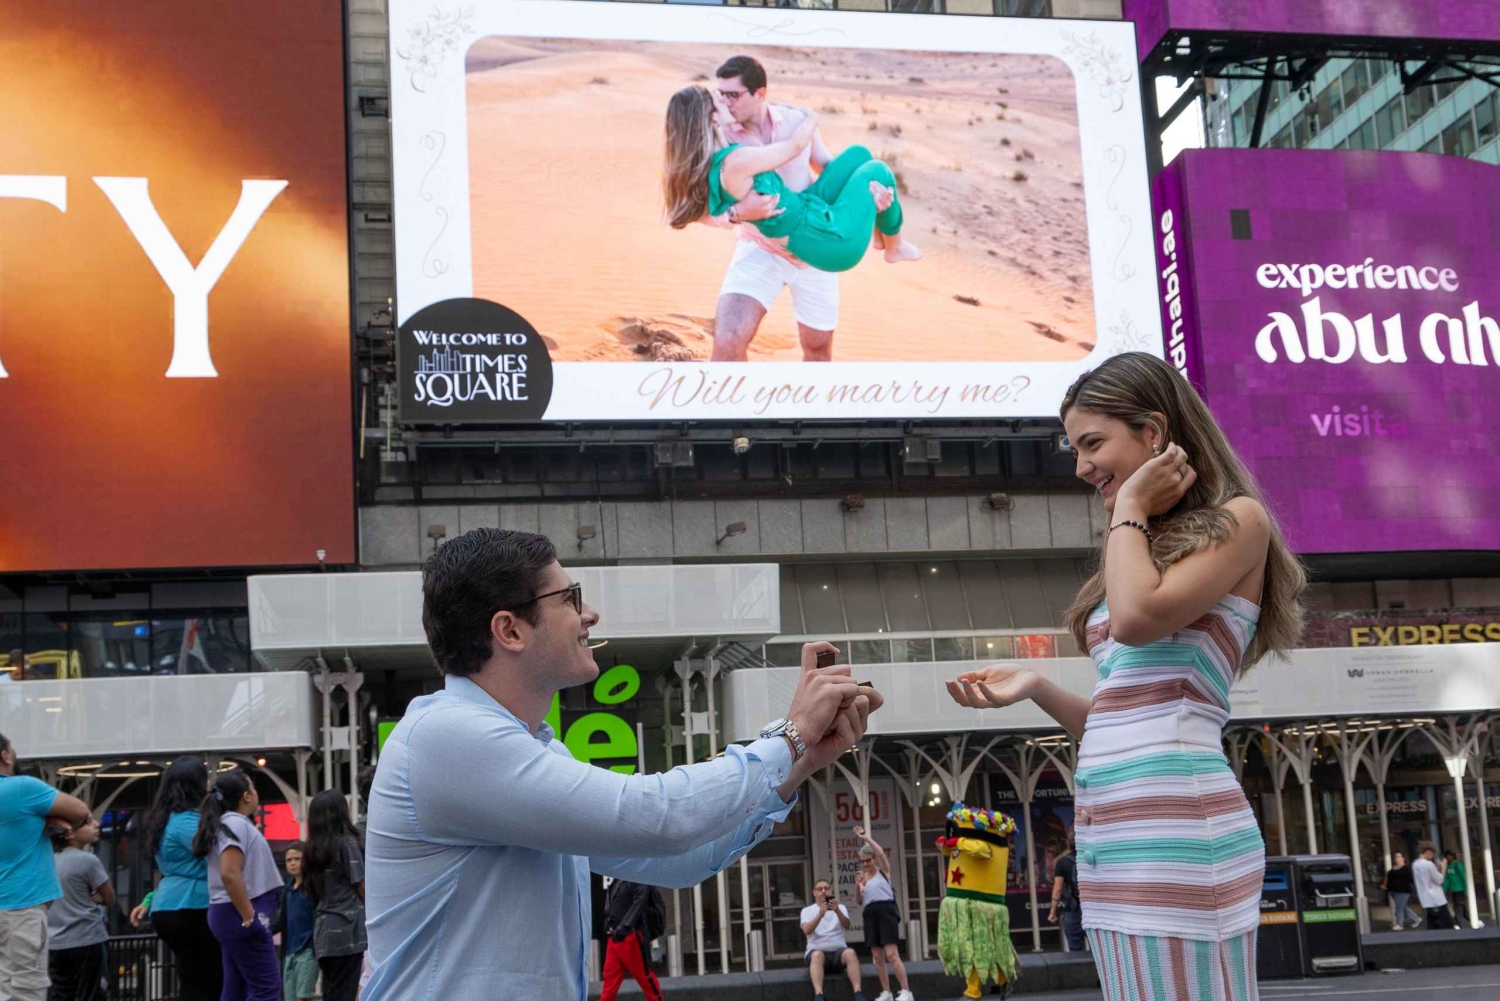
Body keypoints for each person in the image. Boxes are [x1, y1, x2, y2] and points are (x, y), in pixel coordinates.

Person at [362, 528, 881, 1001]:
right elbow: (660, 817)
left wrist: (801, 761)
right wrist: (790, 734)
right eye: (570, 598)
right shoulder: (444, 736)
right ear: (510, 630)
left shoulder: (536, 749)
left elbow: (677, 860)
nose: (590, 615)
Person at [945, 351, 1309, 1001]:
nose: (1081, 465)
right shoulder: (1137, 545)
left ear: (1153, 431)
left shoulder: (1240, 519)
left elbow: (1138, 619)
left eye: (1092, 443)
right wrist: (1037, 686)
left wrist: (1131, 506)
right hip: (1114, 840)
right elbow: (1125, 715)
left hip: (1178, 832)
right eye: (1073, 447)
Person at [695, 55, 861, 362]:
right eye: (721, 94)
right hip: (760, 248)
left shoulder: (796, 120)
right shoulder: (719, 138)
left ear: (760, 93)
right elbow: (698, 208)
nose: (725, 102)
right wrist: (737, 214)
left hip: (815, 251)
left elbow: (826, 166)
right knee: (727, 340)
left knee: (818, 350)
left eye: (733, 94)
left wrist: (867, 193)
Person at [664, 87, 919, 278]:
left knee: (859, 155)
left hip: (809, 208)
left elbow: (681, 214)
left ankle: (880, 236)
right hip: (826, 241)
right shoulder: (736, 160)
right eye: (718, 100)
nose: (724, 99)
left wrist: (735, 213)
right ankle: (893, 247)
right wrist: (809, 116)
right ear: (713, 119)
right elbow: (794, 146)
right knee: (879, 170)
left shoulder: (716, 159)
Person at [0, 731, 91, 1001]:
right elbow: (80, 811)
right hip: (21, 908)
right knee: (27, 991)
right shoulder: (22, 788)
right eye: (11, 749)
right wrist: (49, 819)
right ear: (4, 755)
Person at [129, 756, 222, 1001]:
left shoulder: (166, 819)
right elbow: (220, 861)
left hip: (169, 906)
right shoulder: (188, 822)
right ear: (196, 784)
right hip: (193, 906)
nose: (210, 784)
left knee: (193, 979)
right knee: (209, 981)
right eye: (205, 778)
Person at [194, 771, 283, 1001]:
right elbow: (229, 873)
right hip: (240, 912)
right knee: (267, 987)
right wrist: (248, 915)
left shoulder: (227, 824)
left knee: (236, 987)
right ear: (246, 796)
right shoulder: (235, 823)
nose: (256, 794)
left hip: (229, 912)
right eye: (253, 788)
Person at [301, 791, 366, 1001]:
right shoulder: (347, 844)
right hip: (347, 930)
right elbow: (361, 886)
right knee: (346, 993)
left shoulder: (311, 849)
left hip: (323, 932)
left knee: (332, 992)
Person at [46, 816, 113, 1001]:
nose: (96, 825)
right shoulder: (87, 860)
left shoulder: (47, 861)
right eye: (87, 823)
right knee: (91, 994)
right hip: (87, 938)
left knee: (61, 995)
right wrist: (98, 895)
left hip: (54, 942)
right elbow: (109, 897)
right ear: (69, 833)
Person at [853, 825, 912, 1001]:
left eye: (868, 860)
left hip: (886, 911)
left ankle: (906, 991)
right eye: (862, 861)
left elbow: (880, 853)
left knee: (892, 954)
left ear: (874, 860)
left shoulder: (883, 871)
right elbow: (859, 901)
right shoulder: (863, 878)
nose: (865, 864)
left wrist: (865, 838)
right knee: (877, 957)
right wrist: (858, 885)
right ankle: (886, 992)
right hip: (870, 913)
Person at [599, 879, 663, 1001]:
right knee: (609, 980)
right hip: (615, 937)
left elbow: (639, 903)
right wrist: (609, 924)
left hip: (631, 937)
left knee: (645, 977)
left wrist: (625, 926)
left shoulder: (636, 878)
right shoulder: (618, 880)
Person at [800, 879, 864, 1001]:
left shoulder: (841, 907)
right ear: (814, 892)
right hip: (817, 955)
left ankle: (858, 993)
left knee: (851, 953)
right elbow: (806, 930)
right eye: (820, 889)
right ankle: (819, 995)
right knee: (817, 955)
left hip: (838, 954)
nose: (823, 891)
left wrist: (837, 911)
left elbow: (847, 925)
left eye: (826, 888)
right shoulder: (807, 911)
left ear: (830, 891)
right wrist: (820, 915)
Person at [271, 842, 316, 1001]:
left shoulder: (314, 888)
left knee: (303, 997)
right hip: (289, 953)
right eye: (289, 860)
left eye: (297, 859)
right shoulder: (287, 890)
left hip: (308, 950)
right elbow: (280, 922)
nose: (292, 863)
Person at [1048, 832, 1085, 952]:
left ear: (1067, 844)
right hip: (1093, 910)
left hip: (1073, 910)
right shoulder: (1088, 859)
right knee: (1099, 953)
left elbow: (1058, 888)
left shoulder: (1062, 862)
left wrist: (1053, 912)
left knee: (1075, 951)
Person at [1413, 844, 1452, 929]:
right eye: (1432, 853)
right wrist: (1443, 867)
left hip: (1425, 900)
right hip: (1437, 899)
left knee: (1433, 927)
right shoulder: (1429, 864)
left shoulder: (1415, 865)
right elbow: (1440, 880)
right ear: (1428, 852)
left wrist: (1437, 867)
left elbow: (1428, 877)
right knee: (1447, 926)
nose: (1432, 856)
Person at [1383, 852, 1421, 930]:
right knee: (1404, 907)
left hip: (1403, 891)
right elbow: (1389, 878)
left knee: (1399, 908)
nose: (1397, 858)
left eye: (1399, 857)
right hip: (1393, 891)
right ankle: (1416, 919)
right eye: (1396, 857)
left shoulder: (1407, 868)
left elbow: (1411, 879)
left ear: (1403, 858)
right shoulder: (1393, 868)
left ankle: (1400, 924)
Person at [1441, 850, 1471, 926]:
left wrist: (1466, 889)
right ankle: (1468, 919)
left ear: (1452, 856)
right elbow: (1447, 879)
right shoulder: (1448, 866)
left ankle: (1458, 921)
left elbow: (1463, 877)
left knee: (1458, 906)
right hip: (1453, 890)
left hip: (1460, 889)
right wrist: (1443, 890)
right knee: (1460, 906)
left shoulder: (1457, 865)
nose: (1447, 858)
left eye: (1448, 856)